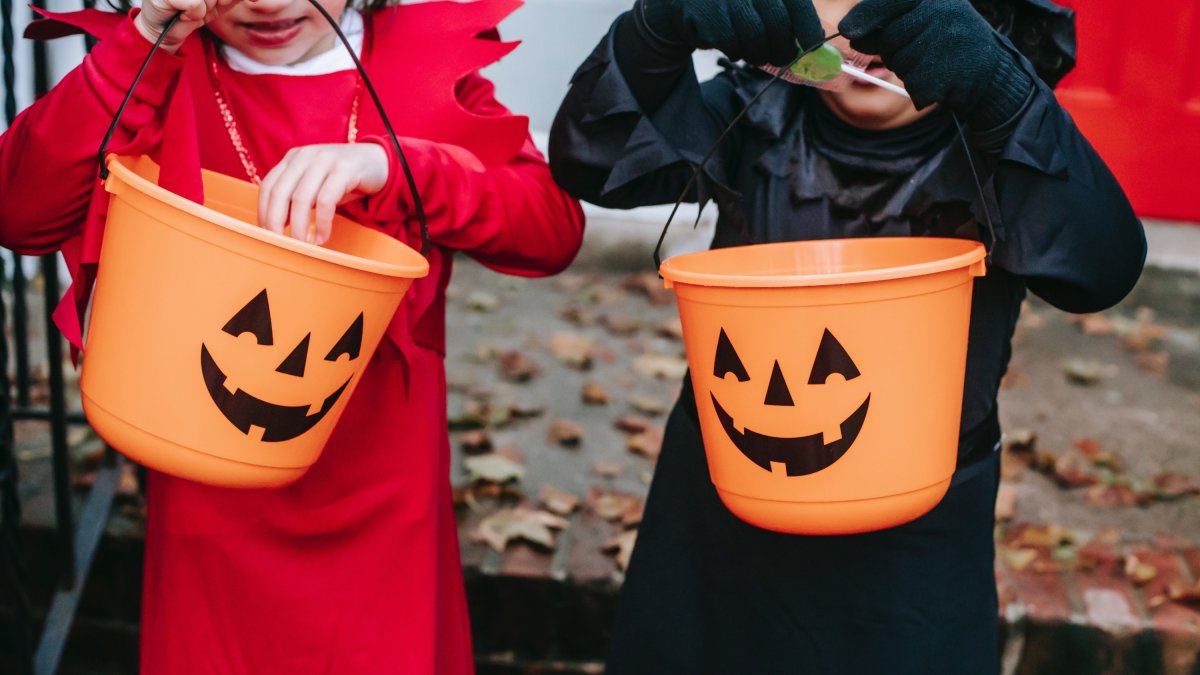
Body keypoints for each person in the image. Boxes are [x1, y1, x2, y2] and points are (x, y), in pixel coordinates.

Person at [549, 0, 1144, 672]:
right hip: (720, 515)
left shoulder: (1001, 139)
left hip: (913, 550)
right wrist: (654, 30)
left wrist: (1002, 96)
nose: (870, 22)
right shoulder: (754, 112)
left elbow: (1102, 266)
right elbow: (592, 163)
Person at [0, 0, 584, 670]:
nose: (267, 1)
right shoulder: (158, 65)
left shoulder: (421, 67)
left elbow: (551, 228)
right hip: (211, 502)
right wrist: (142, 44)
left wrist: (398, 169)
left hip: (384, 492)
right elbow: (20, 210)